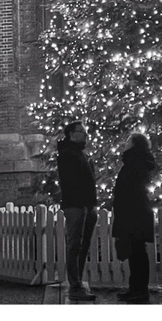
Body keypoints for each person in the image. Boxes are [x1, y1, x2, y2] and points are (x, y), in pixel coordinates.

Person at [111, 132, 156, 304]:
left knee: (137, 252)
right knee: (135, 251)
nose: (125, 143)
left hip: (133, 212)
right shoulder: (137, 161)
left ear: (135, 144)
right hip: (134, 212)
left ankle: (139, 290)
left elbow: (130, 189)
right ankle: (135, 288)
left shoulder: (134, 162)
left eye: (128, 140)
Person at [57, 121, 98, 302]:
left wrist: (91, 205)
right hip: (76, 206)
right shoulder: (67, 154)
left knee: (83, 245)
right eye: (82, 132)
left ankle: (78, 282)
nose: (86, 135)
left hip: (86, 206)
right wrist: (83, 204)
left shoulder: (82, 154)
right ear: (72, 134)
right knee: (75, 245)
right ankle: (75, 285)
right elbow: (72, 182)